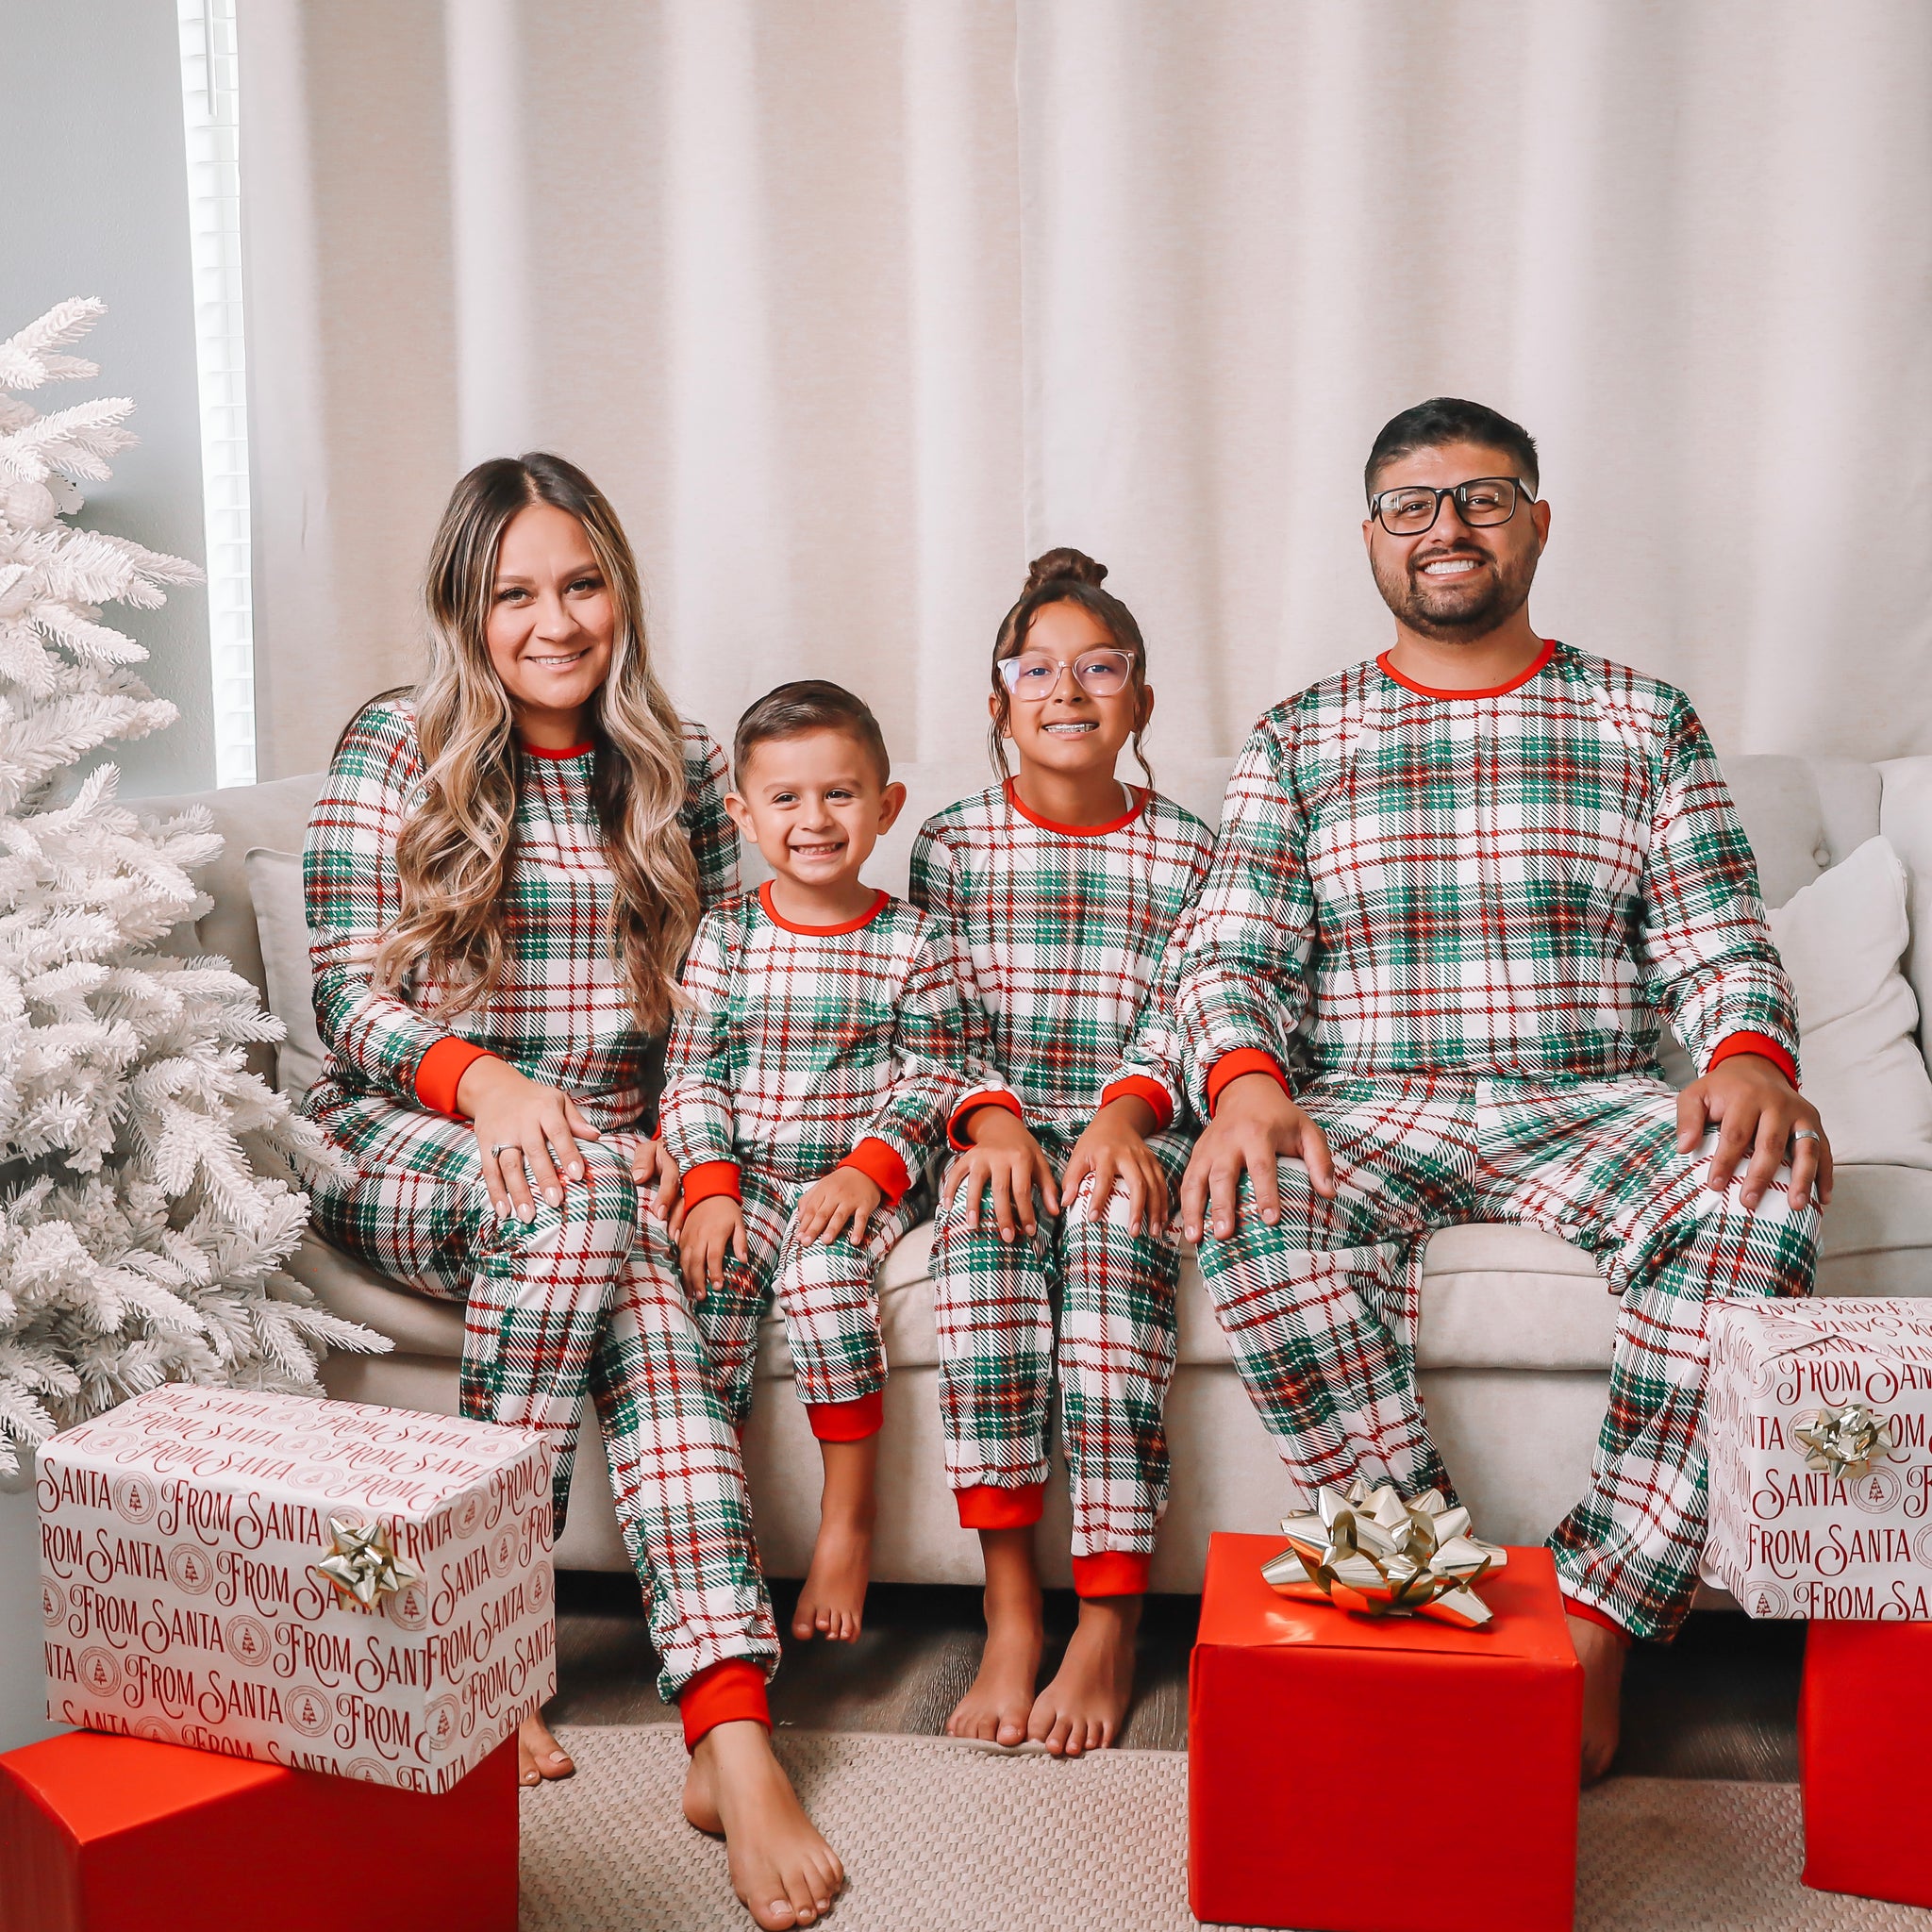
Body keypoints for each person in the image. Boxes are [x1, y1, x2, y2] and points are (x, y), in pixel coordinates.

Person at [1174, 399, 1829, 1783]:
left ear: (1538, 519)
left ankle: (1595, 1620)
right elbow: (1233, 955)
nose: (1448, 529)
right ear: (1371, 540)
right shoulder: (1299, 733)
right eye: (1411, 505)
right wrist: (1241, 1082)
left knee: (1759, 1197)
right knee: (1245, 1202)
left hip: (1582, 1097)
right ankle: (1429, 1582)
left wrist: (1749, 1055)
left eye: (1482, 497)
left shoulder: (1641, 715)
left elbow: (1716, 936)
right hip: (1369, 1100)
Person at [302, 454, 841, 1929]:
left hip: (596, 1167)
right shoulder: (392, 745)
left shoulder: (675, 757)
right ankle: (506, 1644)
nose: (555, 620)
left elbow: (721, 1007)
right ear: (465, 609)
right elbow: (345, 1002)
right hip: (402, 1133)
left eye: (582, 583)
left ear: (623, 592)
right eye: (516, 592)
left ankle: (729, 1731)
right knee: (581, 1201)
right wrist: (485, 1084)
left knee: (637, 1278)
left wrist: (680, 1129)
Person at [914, 549, 1214, 1756]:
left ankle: (1109, 1611)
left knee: (1103, 1227)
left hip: (1127, 1124)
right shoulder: (952, 844)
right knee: (981, 1236)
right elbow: (937, 1016)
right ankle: (1009, 1610)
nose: (1067, 690)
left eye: (1100, 667)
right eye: (1033, 668)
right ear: (997, 704)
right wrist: (987, 1120)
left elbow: (1194, 1012)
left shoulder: (1189, 851)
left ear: (1139, 700)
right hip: (1000, 1122)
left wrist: (1125, 1117)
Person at [661, 680, 976, 1644]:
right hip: (747, 1174)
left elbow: (934, 1073)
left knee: (822, 1279)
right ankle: (725, 1535)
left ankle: (847, 1522)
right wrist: (710, 1185)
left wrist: (869, 1169)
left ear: (885, 806)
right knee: (705, 1285)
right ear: (744, 814)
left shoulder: (915, 938)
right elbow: (692, 1074)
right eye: (786, 798)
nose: (813, 819)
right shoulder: (724, 936)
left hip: (852, 1181)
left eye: (840, 794)